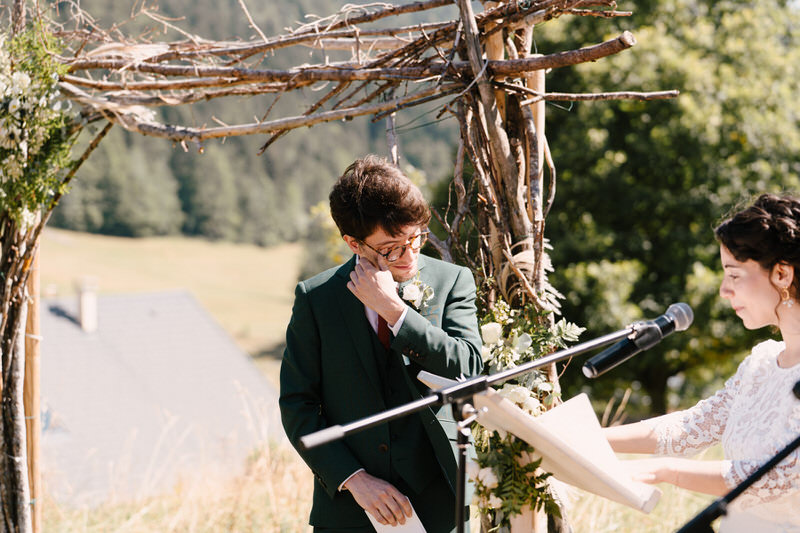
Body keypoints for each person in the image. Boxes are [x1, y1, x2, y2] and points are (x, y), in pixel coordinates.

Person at [279, 155, 483, 532]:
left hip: (443, 503)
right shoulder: (317, 298)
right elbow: (298, 405)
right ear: (354, 243)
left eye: (415, 237)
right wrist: (354, 479)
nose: (410, 256)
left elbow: (469, 365)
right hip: (350, 512)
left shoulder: (453, 281)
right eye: (391, 248)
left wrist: (395, 312)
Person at [603, 193, 800, 531]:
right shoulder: (762, 364)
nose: (724, 290)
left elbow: (784, 474)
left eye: (734, 275)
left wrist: (665, 471)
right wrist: (589, 439)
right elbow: (690, 428)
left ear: (781, 274)